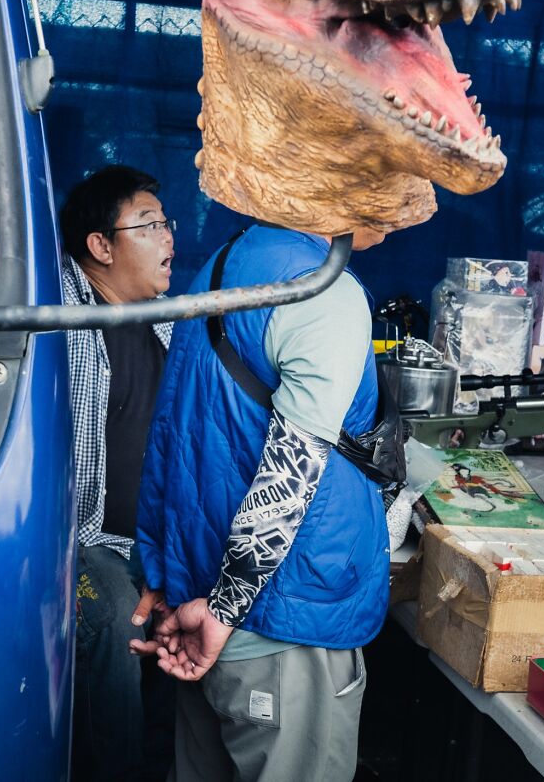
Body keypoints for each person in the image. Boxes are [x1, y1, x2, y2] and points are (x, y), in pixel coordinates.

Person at [130, 222, 390, 782]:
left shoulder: (224, 262)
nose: (399, 213)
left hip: (201, 600)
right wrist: (224, 610)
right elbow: (288, 479)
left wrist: (163, 573)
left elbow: (173, 437)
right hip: (281, 619)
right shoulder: (324, 291)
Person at [60, 165, 175, 782]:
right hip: (82, 542)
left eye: (166, 223)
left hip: (152, 541)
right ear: (100, 247)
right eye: (149, 225)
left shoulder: (167, 319)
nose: (168, 237)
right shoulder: (59, 309)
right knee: (111, 617)